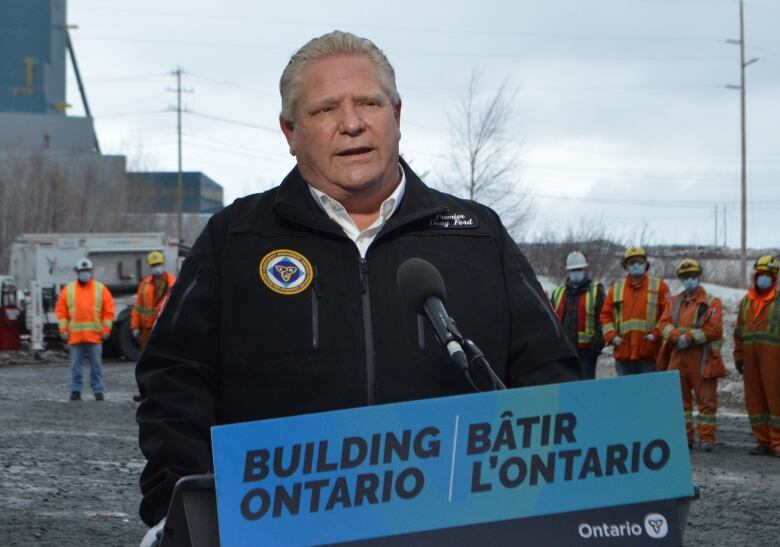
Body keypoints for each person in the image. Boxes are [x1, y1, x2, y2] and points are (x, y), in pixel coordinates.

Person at [135, 30, 580, 534]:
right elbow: (174, 381)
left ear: (397, 115)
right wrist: (179, 512)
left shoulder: (479, 236)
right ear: (289, 132)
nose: (351, 124)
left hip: (456, 528)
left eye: (369, 102)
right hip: (276, 531)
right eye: (324, 110)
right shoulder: (235, 238)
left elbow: (551, 378)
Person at [657, 259, 724, 451]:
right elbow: (663, 323)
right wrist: (676, 336)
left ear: (698, 277)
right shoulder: (674, 302)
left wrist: (690, 337)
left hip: (702, 357)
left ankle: (707, 438)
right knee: (678, 400)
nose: (689, 280)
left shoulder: (712, 302)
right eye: (685, 277)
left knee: (706, 400)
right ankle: (684, 438)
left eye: (692, 276)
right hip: (677, 356)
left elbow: (714, 329)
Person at [733, 255, 780, 457]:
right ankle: (763, 441)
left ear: (774, 277)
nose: (764, 278)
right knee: (755, 400)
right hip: (751, 361)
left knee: (776, 400)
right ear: (756, 275)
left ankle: (778, 443)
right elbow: (738, 332)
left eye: (769, 275)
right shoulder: (746, 302)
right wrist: (738, 357)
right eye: (761, 274)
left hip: (774, 361)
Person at [600, 246, 671, 375]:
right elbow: (606, 316)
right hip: (623, 353)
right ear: (626, 266)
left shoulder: (659, 286)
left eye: (639, 262)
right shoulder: (616, 289)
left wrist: (656, 334)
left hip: (650, 353)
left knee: (649, 393)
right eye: (631, 263)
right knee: (627, 394)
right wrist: (611, 336)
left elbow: (667, 315)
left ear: (646, 264)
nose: (636, 265)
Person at [54, 258, 115, 401]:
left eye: (87, 271)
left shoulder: (101, 289)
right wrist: (63, 330)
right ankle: (75, 390)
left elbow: (109, 311)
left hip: (94, 337)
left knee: (96, 367)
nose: (85, 273)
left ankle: (98, 390)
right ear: (77, 272)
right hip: (76, 337)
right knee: (75, 367)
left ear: (91, 271)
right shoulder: (68, 290)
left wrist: (106, 330)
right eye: (82, 271)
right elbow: (61, 311)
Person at [550, 251, 605, 379]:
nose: (576, 272)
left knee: (585, 391)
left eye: (578, 269)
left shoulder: (596, 291)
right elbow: (552, 321)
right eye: (573, 270)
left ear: (585, 270)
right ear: (568, 271)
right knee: (566, 387)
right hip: (564, 352)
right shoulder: (558, 292)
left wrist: (595, 347)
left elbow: (602, 320)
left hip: (587, 352)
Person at [131, 251, 177, 349]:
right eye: (154, 265)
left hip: (164, 328)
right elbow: (137, 307)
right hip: (147, 329)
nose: (156, 267)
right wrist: (134, 326)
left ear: (163, 264)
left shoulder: (173, 283)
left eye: (158, 264)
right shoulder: (144, 284)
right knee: (146, 358)